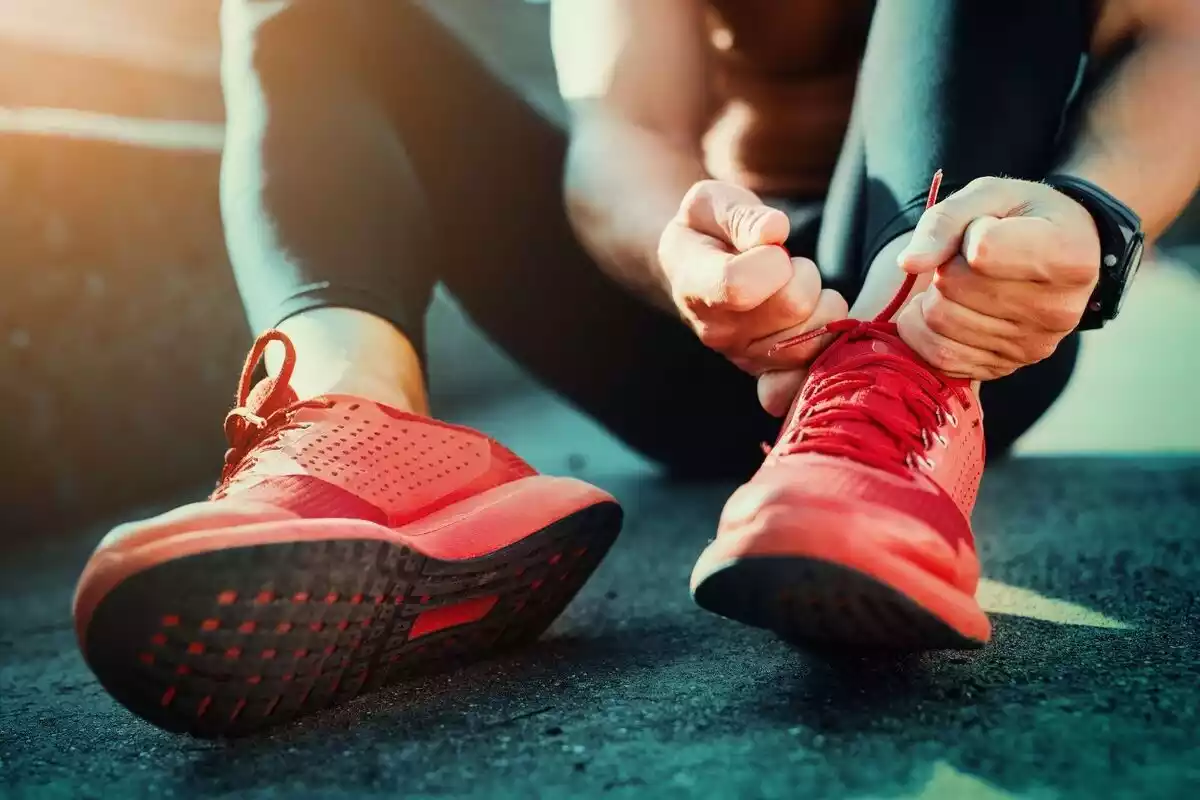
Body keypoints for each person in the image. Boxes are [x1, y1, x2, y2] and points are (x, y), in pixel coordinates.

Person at [72, 0, 1199, 736]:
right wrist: (686, 256)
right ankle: (358, 428)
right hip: (710, 320)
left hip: (969, 316)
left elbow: (1176, 35)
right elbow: (620, 131)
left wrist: (1095, 218)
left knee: (935, 293)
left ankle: (887, 413)